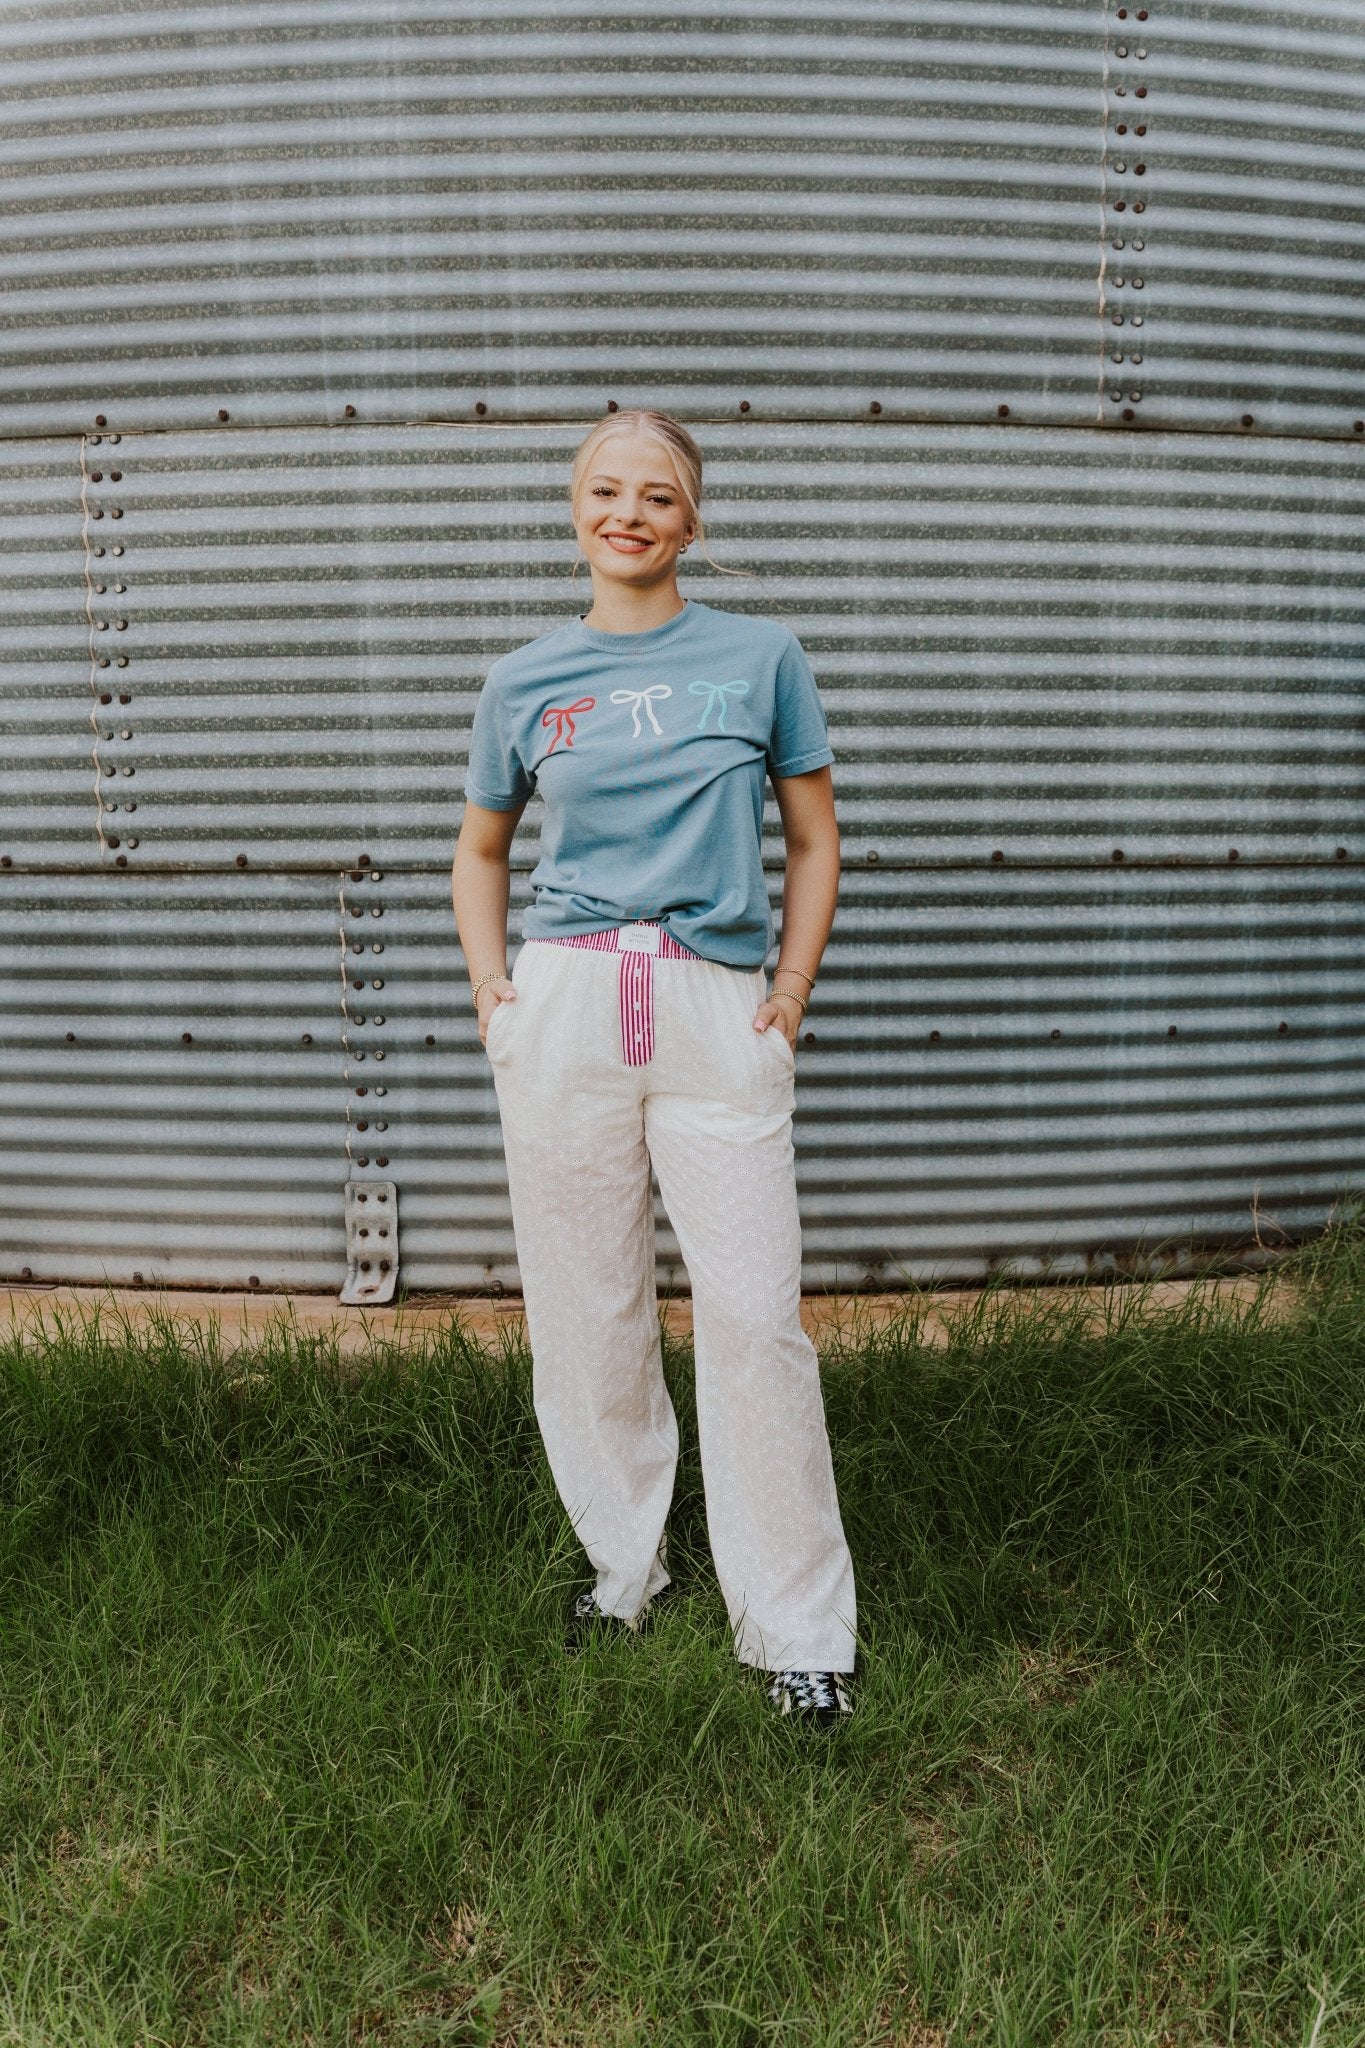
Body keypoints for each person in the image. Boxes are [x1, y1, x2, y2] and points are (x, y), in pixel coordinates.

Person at [450, 409, 857, 1726]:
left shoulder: (759, 658)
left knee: (751, 1317)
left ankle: (796, 1626)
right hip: (566, 1004)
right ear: (574, 509)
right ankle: (628, 1567)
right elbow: (479, 851)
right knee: (587, 1314)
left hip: (710, 1009)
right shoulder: (522, 680)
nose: (630, 512)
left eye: (659, 494)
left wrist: (785, 995)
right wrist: (495, 995)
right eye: (606, 490)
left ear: (693, 520)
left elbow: (812, 841)